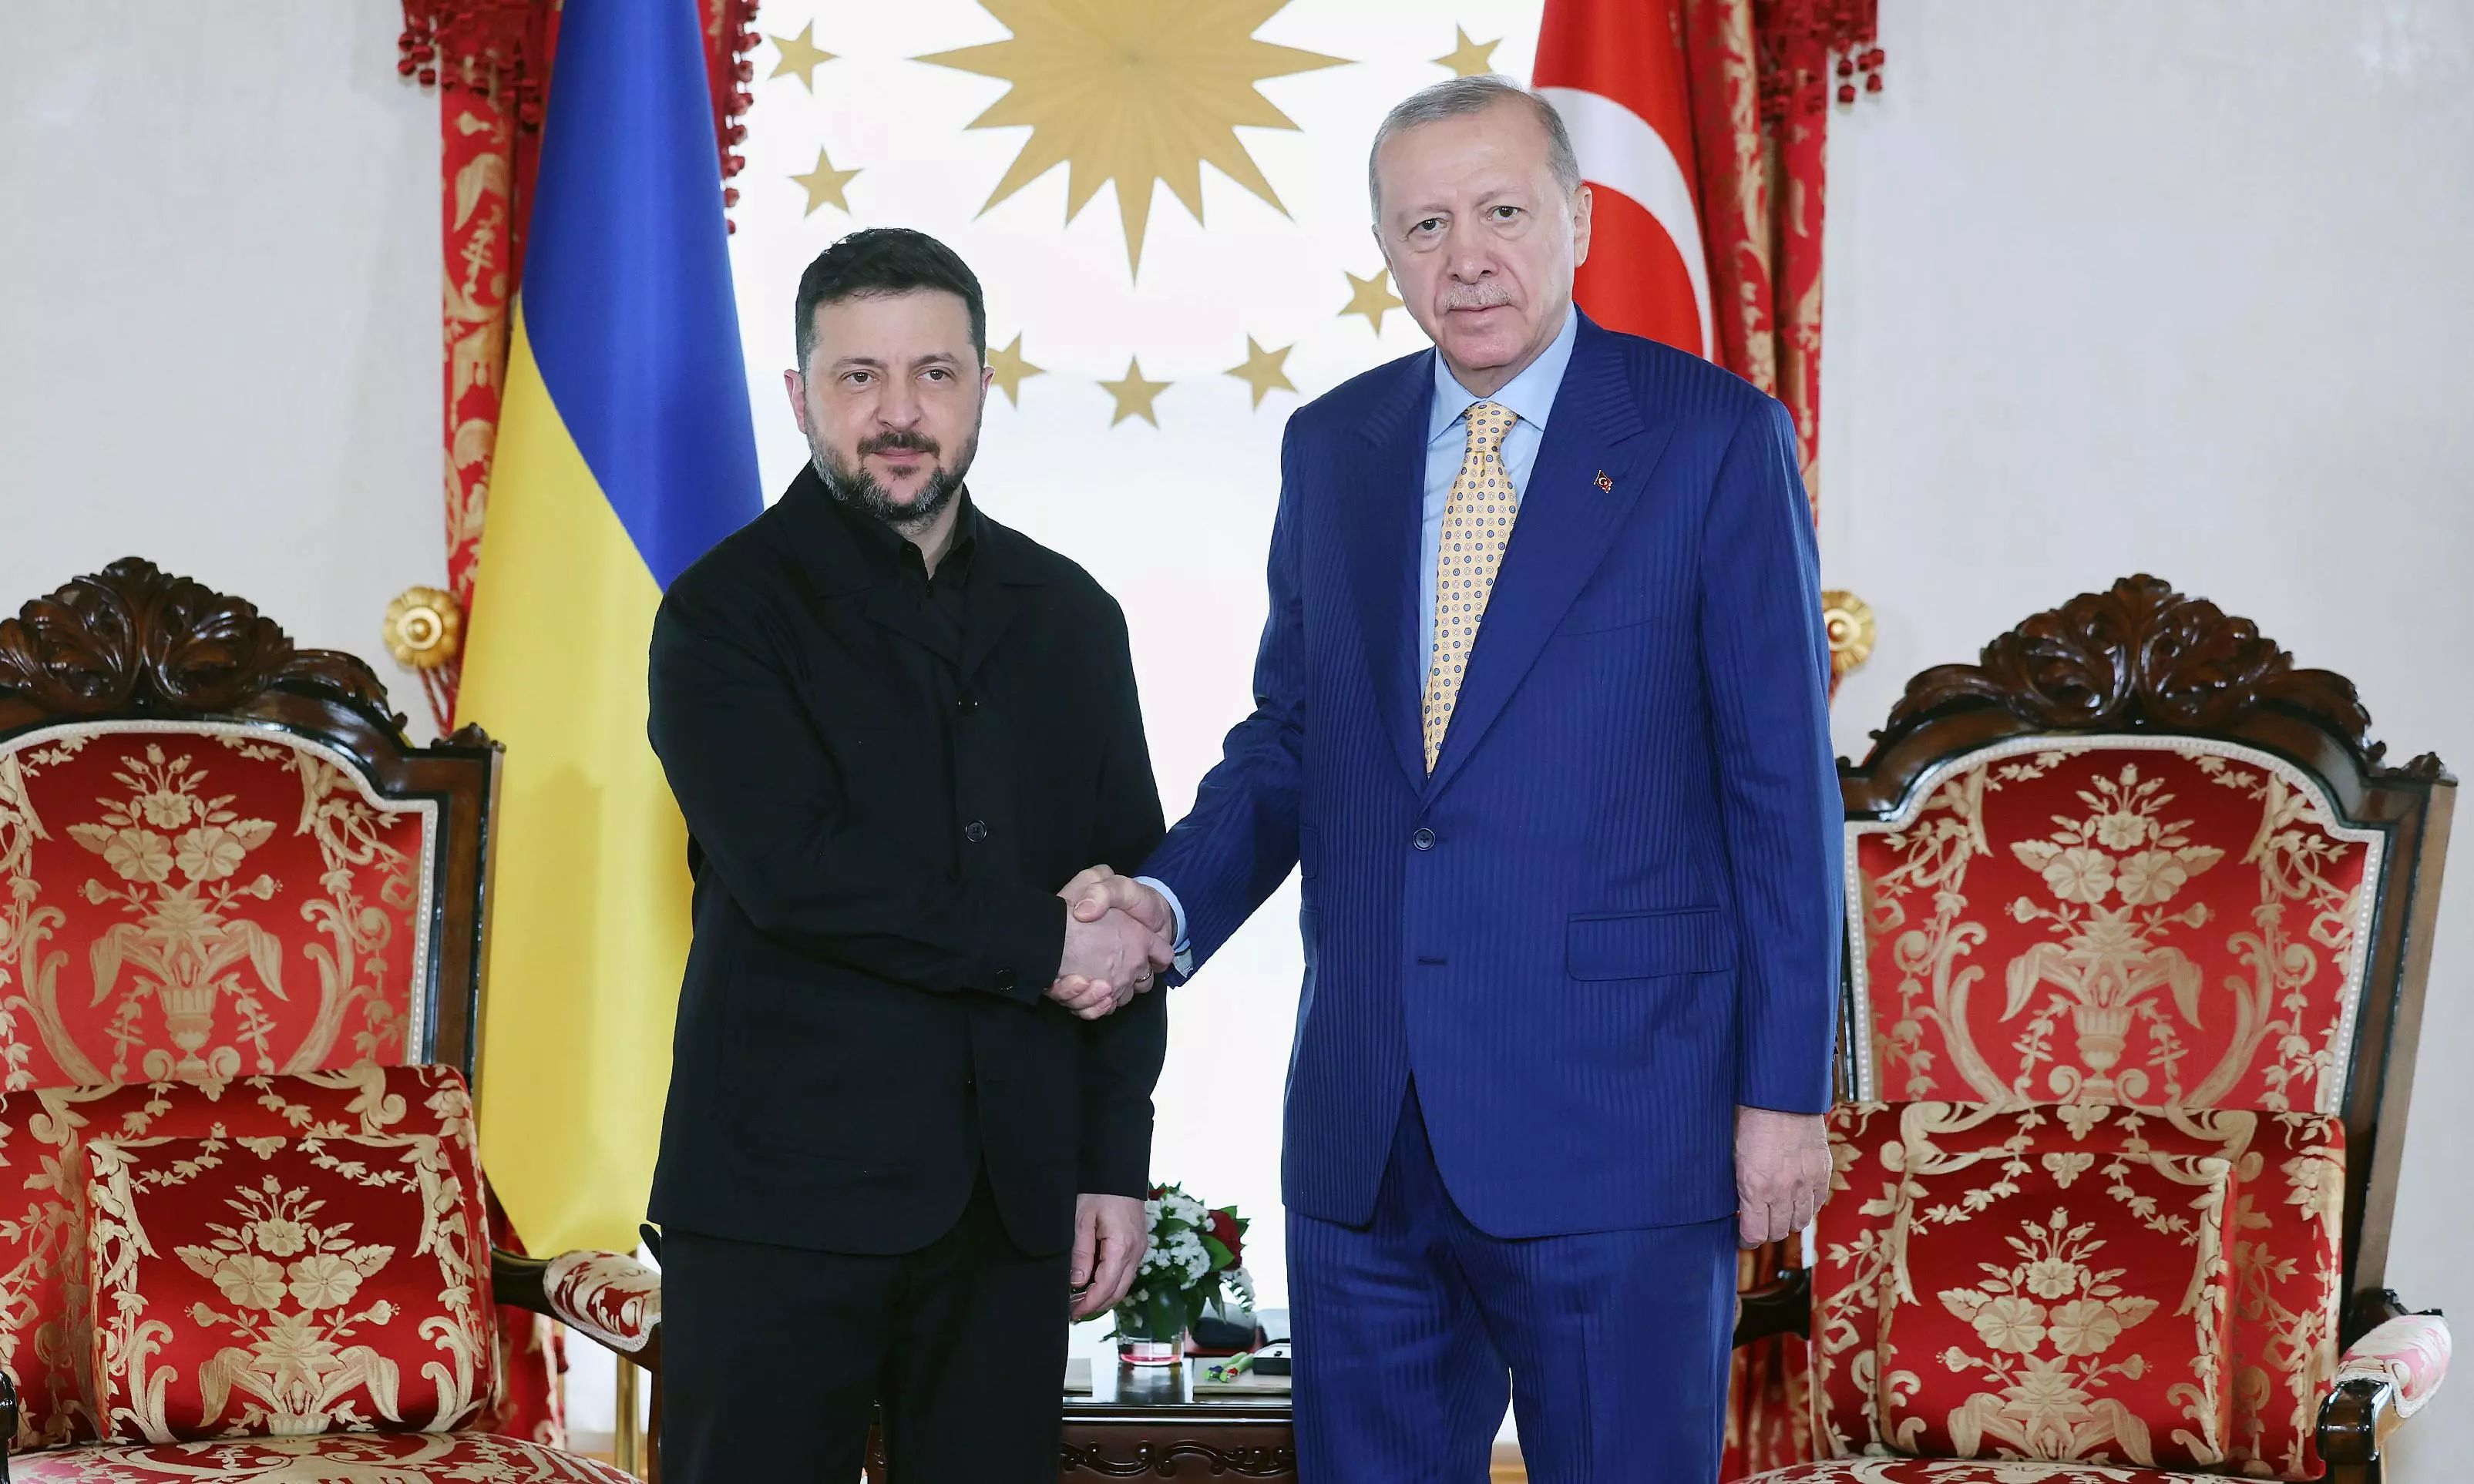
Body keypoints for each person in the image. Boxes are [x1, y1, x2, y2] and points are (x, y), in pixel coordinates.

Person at [1067, 77, 1841, 1481]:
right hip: (1367, 1131)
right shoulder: (1334, 447)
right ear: (1384, 249)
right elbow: (1294, 739)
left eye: (1501, 212)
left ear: (1577, 220)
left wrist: (1784, 1095)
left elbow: (1780, 795)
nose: (1466, 257)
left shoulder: (1711, 438)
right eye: (1425, 225)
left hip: (1620, 1126)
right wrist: (1163, 906)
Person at [647, 227, 1175, 1482]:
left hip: (1011, 1206)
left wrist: (1113, 1162)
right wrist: (1047, 940)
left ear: (982, 386)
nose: (899, 412)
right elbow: (798, 872)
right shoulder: (721, 612)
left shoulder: (1071, 614)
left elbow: (1127, 896)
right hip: (779, 1204)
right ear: (800, 397)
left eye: (934, 373)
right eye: (860, 376)